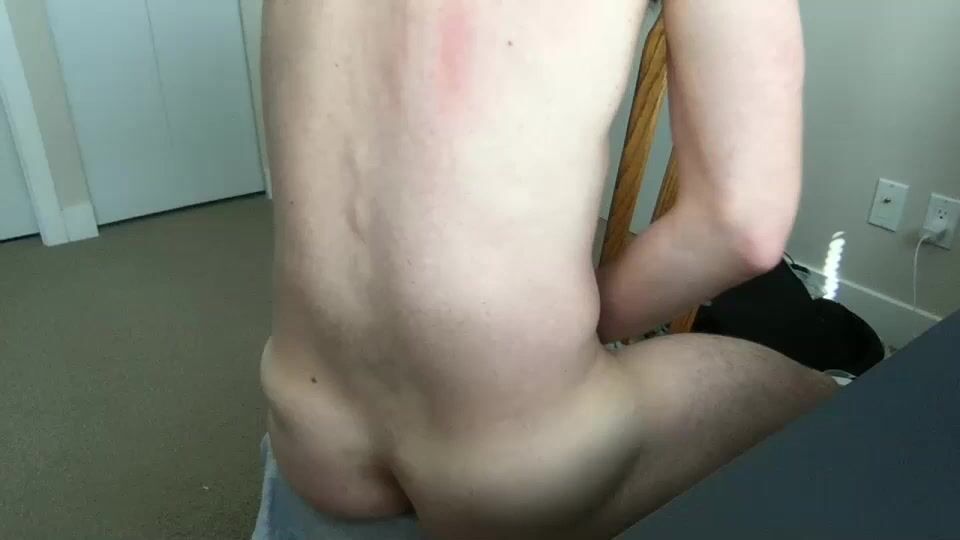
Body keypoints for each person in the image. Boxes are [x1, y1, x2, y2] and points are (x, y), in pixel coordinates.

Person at [254, 1, 836, 538]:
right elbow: (743, 227)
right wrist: (564, 337)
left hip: (308, 429)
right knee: (819, 399)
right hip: (513, 465)